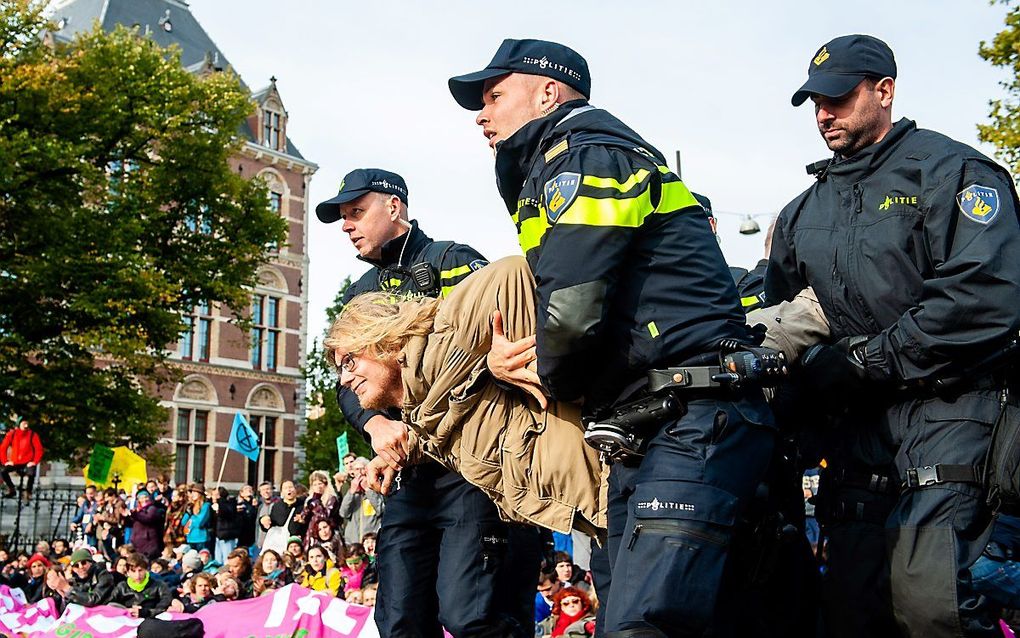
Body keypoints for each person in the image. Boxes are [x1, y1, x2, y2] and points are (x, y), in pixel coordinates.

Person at [449, 38, 775, 636]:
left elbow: (573, 307)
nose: (481, 113)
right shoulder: (558, 164)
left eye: (495, 95)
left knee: (641, 624)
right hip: (652, 423)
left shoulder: (588, 156)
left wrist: (542, 377)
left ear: (548, 93)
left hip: (693, 416)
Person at [766, 34, 1020, 638]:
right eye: (815, 101)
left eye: (838, 97)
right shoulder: (802, 211)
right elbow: (783, 318)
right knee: (854, 606)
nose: (824, 112)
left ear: (884, 91)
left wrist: (863, 360)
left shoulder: (952, 171)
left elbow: (985, 297)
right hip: (855, 429)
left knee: (934, 603)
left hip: (953, 409)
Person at [316, 167, 541, 636]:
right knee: (398, 621)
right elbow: (346, 379)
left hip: (469, 468)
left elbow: (499, 337)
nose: (347, 226)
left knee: (471, 616)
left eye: (356, 212)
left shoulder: (452, 261)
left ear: (393, 207)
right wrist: (374, 425)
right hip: (406, 477)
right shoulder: (359, 293)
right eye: (342, 218)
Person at [108, 552, 172, 618]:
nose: (137, 575)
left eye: (140, 570)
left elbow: (165, 605)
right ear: (128, 572)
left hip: (151, 622)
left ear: (146, 570)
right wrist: (126, 611)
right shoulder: (121, 587)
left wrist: (145, 612)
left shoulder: (159, 585)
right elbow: (110, 604)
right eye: (133, 571)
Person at [337, 458, 384, 546]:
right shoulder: (349, 488)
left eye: (363, 469)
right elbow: (343, 513)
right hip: (352, 541)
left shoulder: (375, 487)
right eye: (357, 469)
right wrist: (351, 492)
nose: (360, 472)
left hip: (371, 540)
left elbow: (380, 509)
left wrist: (368, 490)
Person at [0, 415, 43, 500]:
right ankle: (12, 490)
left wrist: (34, 461)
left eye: (27, 423)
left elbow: (39, 449)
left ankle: (28, 492)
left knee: (31, 473)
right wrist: (5, 461)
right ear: (19, 424)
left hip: (28, 461)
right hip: (15, 462)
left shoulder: (32, 435)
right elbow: (3, 448)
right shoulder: (12, 434)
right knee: (3, 471)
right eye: (24, 423)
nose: (26, 425)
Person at [301, 470, 339, 550]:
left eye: (320, 484)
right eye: (315, 484)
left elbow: (325, 515)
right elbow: (304, 516)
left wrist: (316, 500)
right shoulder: (310, 500)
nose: (318, 487)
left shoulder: (332, 499)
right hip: (312, 534)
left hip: (327, 535)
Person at [126, 490, 166, 560]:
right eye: (141, 498)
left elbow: (148, 518)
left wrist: (135, 514)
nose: (144, 499)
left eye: (146, 497)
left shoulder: (152, 508)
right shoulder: (137, 510)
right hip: (138, 543)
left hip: (148, 543)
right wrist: (126, 516)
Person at [211, 486, 241, 565]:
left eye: (214, 495)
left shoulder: (229, 504)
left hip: (227, 537)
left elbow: (226, 513)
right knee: (218, 560)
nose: (212, 497)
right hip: (218, 536)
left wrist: (219, 503)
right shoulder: (214, 505)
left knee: (227, 560)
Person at [180, 483, 213, 553]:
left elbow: (199, 523)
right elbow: (183, 522)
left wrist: (192, 518)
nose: (193, 494)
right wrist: (188, 513)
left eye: (195, 492)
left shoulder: (206, 506)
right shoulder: (191, 506)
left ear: (200, 494)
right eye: (192, 492)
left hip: (201, 539)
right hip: (190, 538)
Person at [254, 481, 277, 548]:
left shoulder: (277, 504)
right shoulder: (260, 506)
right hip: (261, 542)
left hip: (274, 542)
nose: (266, 492)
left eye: (268, 489)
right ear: (260, 493)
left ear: (272, 490)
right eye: (263, 490)